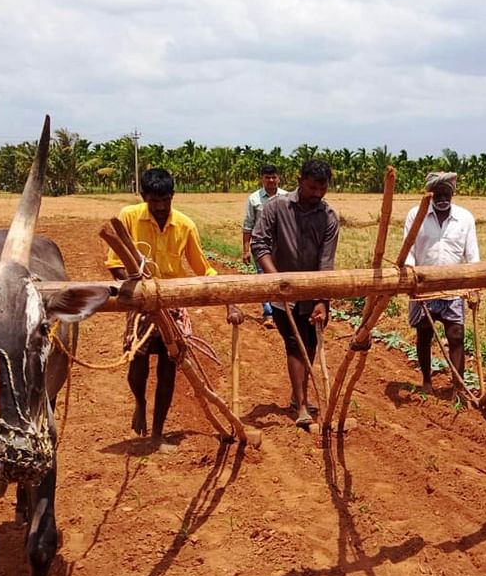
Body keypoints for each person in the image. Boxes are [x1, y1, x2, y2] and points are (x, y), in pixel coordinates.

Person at [105, 168, 244, 449]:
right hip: (141, 302)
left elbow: (204, 269)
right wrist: (140, 291)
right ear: (143, 197)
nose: (159, 207)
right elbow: (115, 265)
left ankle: (158, 434)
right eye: (153, 201)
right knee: (137, 364)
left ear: (172, 197)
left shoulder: (185, 225)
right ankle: (140, 402)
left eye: (165, 201)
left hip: (173, 304)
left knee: (169, 369)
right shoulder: (128, 217)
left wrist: (230, 302)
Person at [250, 159, 339, 427]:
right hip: (281, 294)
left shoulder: (329, 216)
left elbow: (326, 261)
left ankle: (297, 395)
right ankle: (301, 406)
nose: (317, 194)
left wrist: (323, 300)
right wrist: (277, 281)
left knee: (309, 344)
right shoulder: (276, 207)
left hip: (313, 293)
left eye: (322, 189)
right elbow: (260, 243)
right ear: (300, 181)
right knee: (293, 344)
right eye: (312, 187)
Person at [403, 172, 480, 394]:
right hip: (423, 287)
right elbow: (409, 248)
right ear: (430, 195)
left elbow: (472, 255)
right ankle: (427, 380)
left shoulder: (465, 218)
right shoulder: (415, 215)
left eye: (447, 193)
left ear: (452, 194)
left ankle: (458, 387)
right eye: (438, 194)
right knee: (424, 335)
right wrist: (410, 276)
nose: (443, 198)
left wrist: (475, 285)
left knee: (456, 335)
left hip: (453, 287)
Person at [242, 163, 287, 327]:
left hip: (283, 246)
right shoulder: (254, 199)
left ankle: (282, 313)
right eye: (267, 177)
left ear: (279, 178)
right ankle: (269, 314)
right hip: (262, 246)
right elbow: (248, 225)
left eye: (274, 177)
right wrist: (246, 249)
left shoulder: (287, 197)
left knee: (283, 278)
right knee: (264, 279)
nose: (271, 180)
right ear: (262, 179)